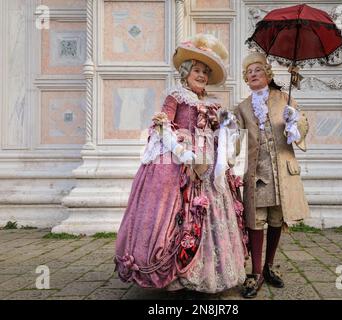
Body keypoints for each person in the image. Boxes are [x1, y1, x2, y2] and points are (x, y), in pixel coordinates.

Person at [115, 34, 248, 294]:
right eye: (197, 70)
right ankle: (178, 276)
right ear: (186, 72)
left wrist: (228, 133)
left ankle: (206, 272)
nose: (201, 75)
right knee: (178, 214)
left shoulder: (213, 103)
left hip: (209, 165)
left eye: (205, 72)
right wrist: (181, 151)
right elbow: (161, 124)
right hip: (180, 161)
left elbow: (221, 131)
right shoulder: (176, 95)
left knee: (211, 212)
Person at [233, 52, 310, 298]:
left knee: (277, 220)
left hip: (282, 176)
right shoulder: (242, 108)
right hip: (257, 175)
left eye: (258, 70)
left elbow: (303, 126)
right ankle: (255, 272)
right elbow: (235, 139)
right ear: (246, 79)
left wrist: (293, 122)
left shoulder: (284, 99)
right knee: (255, 222)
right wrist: (222, 127)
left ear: (267, 74)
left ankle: (269, 266)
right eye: (249, 72)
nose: (253, 74)